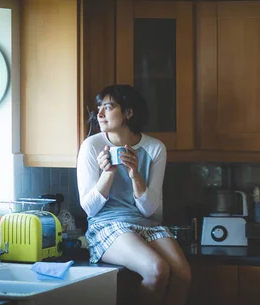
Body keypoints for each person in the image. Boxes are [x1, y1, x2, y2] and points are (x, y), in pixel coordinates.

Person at [76, 84, 191, 305]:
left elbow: (150, 210)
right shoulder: (92, 146)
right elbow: (89, 209)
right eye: (99, 108)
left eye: (108, 108)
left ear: (128, 113)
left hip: (147, 223)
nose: (99, 114)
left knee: (183, 274)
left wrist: (135, 174)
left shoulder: (155, 148)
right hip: (107, 225)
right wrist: (108, 173)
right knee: (157, 269)